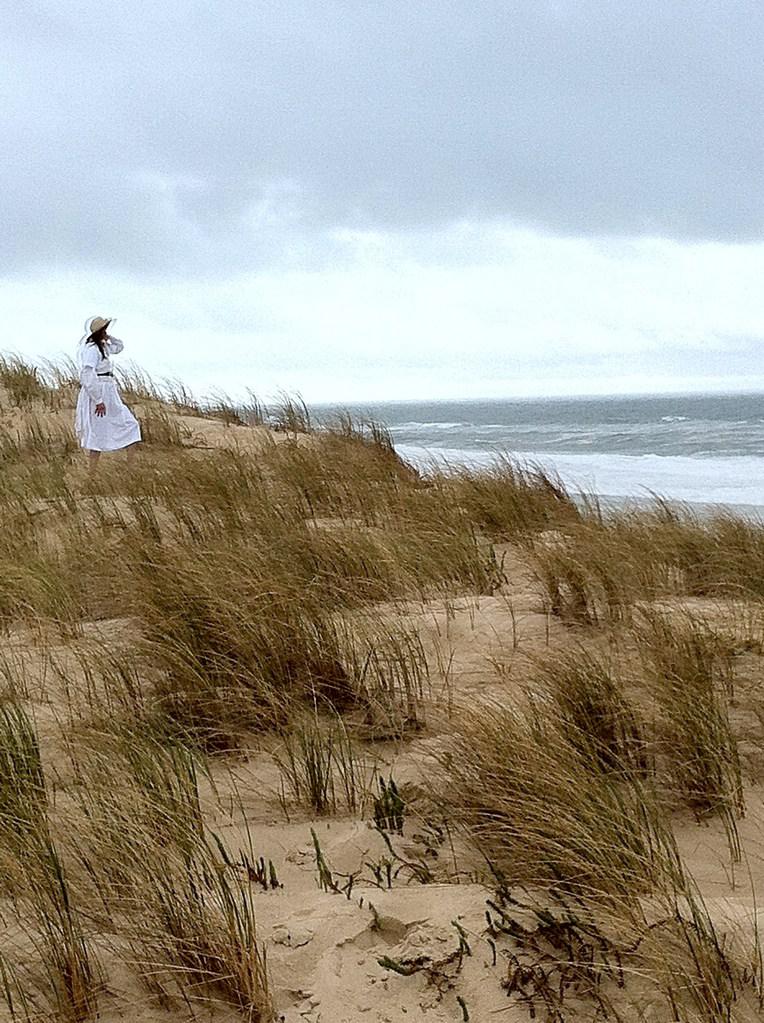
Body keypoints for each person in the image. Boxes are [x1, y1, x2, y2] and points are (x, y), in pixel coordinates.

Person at [75, 316, 141, 469]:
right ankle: (92, 474)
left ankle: (130, 468)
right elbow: (87, 374)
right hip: (99, 390)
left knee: (131, 425)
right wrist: (98, 400)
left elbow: (119, 346)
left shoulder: (103, 346)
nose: (106, 332)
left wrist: (108, 337)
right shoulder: (92, 350)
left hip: (109, 390)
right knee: (97, 433)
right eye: (104, 330)